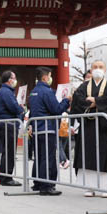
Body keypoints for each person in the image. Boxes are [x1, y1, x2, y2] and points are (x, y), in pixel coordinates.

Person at [70, 60, 107, 198]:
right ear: (91, 69)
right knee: (88, 155)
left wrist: (95, 101)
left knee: (104, 155)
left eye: (100, 67)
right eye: (95, 67)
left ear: (105, 69)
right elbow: (78, 101)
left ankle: (106, 188)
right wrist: (93, 103)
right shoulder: (83, 86)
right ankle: (89, 187)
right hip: (88, 126)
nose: (97, 69)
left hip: (103, 127)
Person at [28, 66, 70, 196]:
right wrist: (66, 100)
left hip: (37, 128)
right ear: (45, 77)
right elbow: (56, 109)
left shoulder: (33, 92)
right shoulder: (47, 91)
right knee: (48, 157)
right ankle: (47, 185)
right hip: (47, 129)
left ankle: (38, 182)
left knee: (39, 157)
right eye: (50, 76)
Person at [0, 71, 24, 186]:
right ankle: (7, 177)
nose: (15, 80)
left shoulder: (4, 91)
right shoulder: (6, 91)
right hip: (8, 124)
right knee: (9, 151)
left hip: (6, 123)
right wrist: (20, 110)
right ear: (9, 79)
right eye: (14, 78)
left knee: (7, 151)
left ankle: (4, 176)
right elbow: (12, 106)